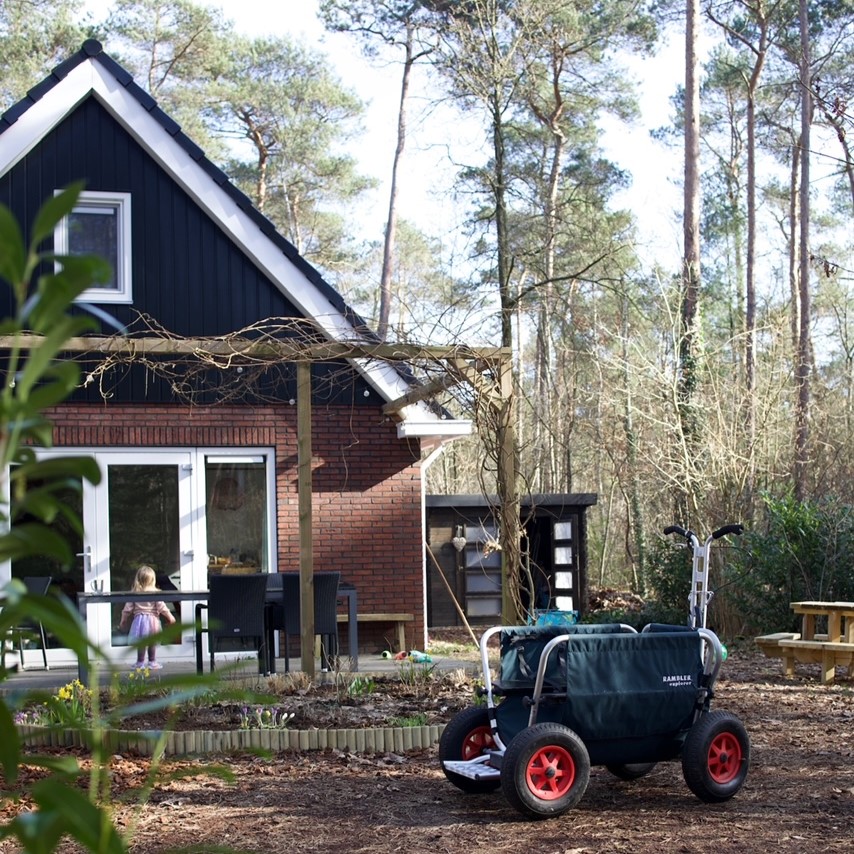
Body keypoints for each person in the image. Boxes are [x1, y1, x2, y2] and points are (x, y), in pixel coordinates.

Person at [118, 565, 176, 670]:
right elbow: (162, 607)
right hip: (153, 621)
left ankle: (140, 662)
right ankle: (152, 662)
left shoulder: (135, 593)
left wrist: (123, 621)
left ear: (138, 579)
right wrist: (170, 617)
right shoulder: (155, 593)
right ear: (153, 580)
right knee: (152, 642)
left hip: (139, 621)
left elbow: (127, 609)